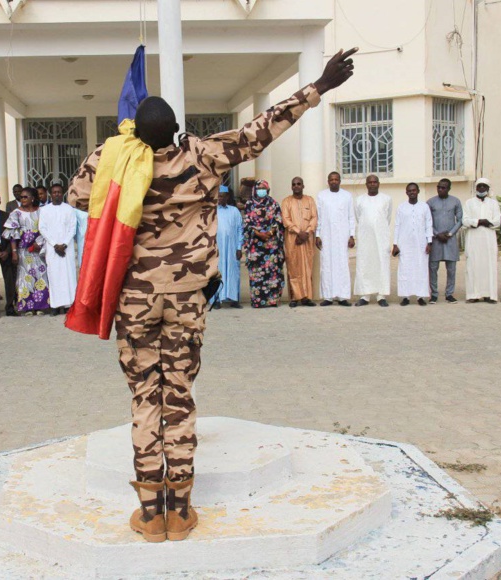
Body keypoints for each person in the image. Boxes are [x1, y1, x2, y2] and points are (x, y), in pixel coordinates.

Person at [67, 47, 357, 543]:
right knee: (179, 395)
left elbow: (77, 196)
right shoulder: (201, 156)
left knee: (144, 399)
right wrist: (320, 86)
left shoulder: (110, 160)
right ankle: (180, 510)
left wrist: (121, 157)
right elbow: (262, 129)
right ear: (177, 130)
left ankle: (148, 512)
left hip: (134, 302)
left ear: (136, 131)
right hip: (187, 301)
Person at [2, 187, 50, 314]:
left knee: (41, 275)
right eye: (21, 197)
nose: (22, 199)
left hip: (38, 250)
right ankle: (27, 307)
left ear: (32, 198)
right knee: (25, 278)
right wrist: (14, 252)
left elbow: (46, 229)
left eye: (25, 197)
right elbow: (12, 234)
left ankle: (41, 306)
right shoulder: (16, 213)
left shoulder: (41, 211)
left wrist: (38, 243)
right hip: (23, 251)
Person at [244, 180, 285, 308]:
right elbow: (247, 222)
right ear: (255, 190)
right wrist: (258, 233)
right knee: (257, 274)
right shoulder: (249, 204)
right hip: (256, 245)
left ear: (268, 190)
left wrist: (271, 231)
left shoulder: (274, 204)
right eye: (259, 188)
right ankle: (257, 301)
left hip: (271, 245)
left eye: (264, 188)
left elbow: (278, 220)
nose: (261, 190)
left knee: (272, 272)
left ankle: (272, 300)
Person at [315, 171, 354, 307]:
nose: (334, 182)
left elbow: (351, 217)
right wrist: (317, 235)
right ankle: (328, 296)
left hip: (343, 236)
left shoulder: (347, 196)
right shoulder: (321, 196)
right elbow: (318, 217)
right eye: (331, 179)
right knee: (327, 264)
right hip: (326, 235)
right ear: (328, 181)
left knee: (342, 264)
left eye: (336, 179)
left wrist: (352, 235)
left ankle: (343, 296)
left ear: (340, 181)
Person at [40, 183, 78, 315]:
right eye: (54, 192)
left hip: (66, 249)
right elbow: (42, 228)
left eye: (59, 192)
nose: (57, 194)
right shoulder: (44, 210)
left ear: (63, 194)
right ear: (51, 194)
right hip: (52, 249)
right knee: (54, 276)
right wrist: (55, 244)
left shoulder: (69, 209)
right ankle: (55, 306)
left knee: (69, 276)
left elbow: (73, 228)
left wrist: (65, 244)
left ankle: (69, 304)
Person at [354, 175, 392, 307]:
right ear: (366, 185)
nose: (372, 184)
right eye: (369, 182)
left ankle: (381, 295)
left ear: (379, 184)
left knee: (381, 263)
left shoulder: (386, 199)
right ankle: (365, 295)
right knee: (365, 264)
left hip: (381, 238)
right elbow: (358, 217)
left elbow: (387, 218)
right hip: (365, 238)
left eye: (375, 182)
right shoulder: (359, 200)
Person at [392, 183, 433, 306]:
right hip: (404, 244)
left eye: (414, 190)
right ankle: (406, 296)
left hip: (421, 243)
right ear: (406, 192)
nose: (412, 192)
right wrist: (395, 244)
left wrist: (429, 242)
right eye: (409, 191)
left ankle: (421, 296)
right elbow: (397, 226)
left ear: (418, 191)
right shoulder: (401, 207)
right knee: (405, 269)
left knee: (421, 269)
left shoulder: (424, 207)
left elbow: (428, 225)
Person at [281, 176, 318, 307]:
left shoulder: (310, 200)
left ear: (303, 186)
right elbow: (285, 219)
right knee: (293, 266)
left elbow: (314, 217)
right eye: (294, 184)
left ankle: (306, 297)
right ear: (291, 187)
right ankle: (294, 298)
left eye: (299, 184)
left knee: (307, 267)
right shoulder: (286, 202)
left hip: (307, 239)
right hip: (292, 239)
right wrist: (298, 232)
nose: (296, 186)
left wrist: (307, 232)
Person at [463, 178, 500, 303]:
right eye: (479, 186)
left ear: (488, 189)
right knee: (473, 265)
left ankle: (489, 295)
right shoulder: (469, 203)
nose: (482, 188)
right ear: (476, 188)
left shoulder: (493, 203)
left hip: (488, 238)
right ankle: (473, 295)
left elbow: (498, 220)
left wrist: (488, 222)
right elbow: (465, 220)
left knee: (489, 265)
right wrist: (477, 222)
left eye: (484, 186)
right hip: (474, 238)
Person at [427, 178, 462, 304]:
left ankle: (449, 294)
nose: (441, 189)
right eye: (439, 187)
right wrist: (436, 234)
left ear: (449, 188)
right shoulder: (430, 202)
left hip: (450, 240)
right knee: (433, 267)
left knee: (451, 268)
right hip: (436, 240)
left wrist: (450, 233)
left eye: (444, 187)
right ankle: (434, 294)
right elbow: (426, 221)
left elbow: (459, 220)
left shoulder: (456, 201)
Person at [214, 185, 243, 309]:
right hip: (217, 247)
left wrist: (239, 247)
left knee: (233, 271)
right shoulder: (213, 211)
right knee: (217, 272)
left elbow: (240, 229)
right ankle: (216, 299)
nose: (219, 198)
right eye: (218, 196)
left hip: (232, 247)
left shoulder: (234, 211)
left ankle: (234, 299)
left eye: (222, 196)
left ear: (227, 197)